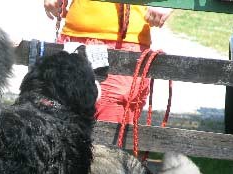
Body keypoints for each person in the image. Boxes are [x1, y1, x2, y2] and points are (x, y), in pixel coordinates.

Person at [44, 0, 172, 123]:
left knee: (110, 131)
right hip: (74, 38)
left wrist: (165, 2)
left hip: (124, 43)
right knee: (58, 124)